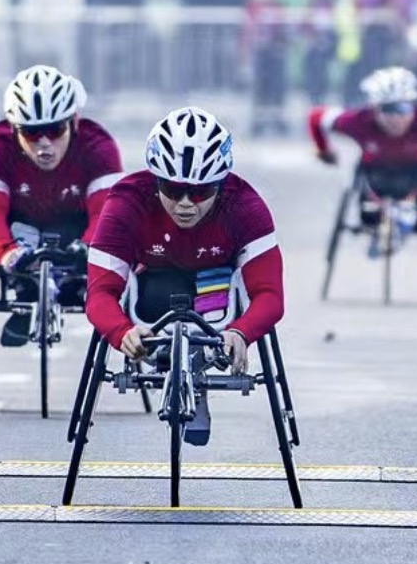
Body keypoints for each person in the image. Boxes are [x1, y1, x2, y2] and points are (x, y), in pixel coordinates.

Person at [84, 106, 284, 446]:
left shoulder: (245, 206)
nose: (186, 204)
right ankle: (172, 361)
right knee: (154, 291)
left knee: (220, 291)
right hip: (154, 286)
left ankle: (196, 371)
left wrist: (242, 331)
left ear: (221, 183)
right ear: (155, 180)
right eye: (173, 190)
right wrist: (121, 331)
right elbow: (99, 292)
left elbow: (270, 294)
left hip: (217, 290)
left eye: (202, 192)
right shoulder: (126, 201)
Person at [0, 64, 123, 346]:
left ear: (74, 122)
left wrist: (89, 247)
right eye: (31, 132)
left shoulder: (98, 145)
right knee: (15, 230)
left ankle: (74, 287)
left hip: (76, 226)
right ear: (13, 129)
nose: (44, 144)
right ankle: (25, 291)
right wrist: (6, 252)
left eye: (55, 130)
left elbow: (108, 211)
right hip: (21, 226)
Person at [309, 65, 417, 252]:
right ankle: (378, 224)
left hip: (415, 178)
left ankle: (411, 219)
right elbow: (316, 117)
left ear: (412, 107)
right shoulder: (359, 121)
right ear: (374, 109)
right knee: (368, 205)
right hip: (373, 179)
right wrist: (323, 150)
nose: (395, 118)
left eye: (402, 109)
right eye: (387, 110)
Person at [241, 0, 290, 135]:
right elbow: (246, 31)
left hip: (274, 53)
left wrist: (281, 45)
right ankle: (258, 122)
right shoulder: (253, 7)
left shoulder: (278, 7)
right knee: (259, 89)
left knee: (277, 89)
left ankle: (278, 120)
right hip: (259, 53)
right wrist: (245, 53)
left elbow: (284, 29)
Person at [298, 0, 336, 106]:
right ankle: (314, 99)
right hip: (312, 47)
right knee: (310, 74)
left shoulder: (324, 5)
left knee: (319, 75)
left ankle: (318, 100)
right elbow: (304, 26)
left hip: (321, 48)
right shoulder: (311, 4)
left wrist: (319, 40)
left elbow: (325, 27)